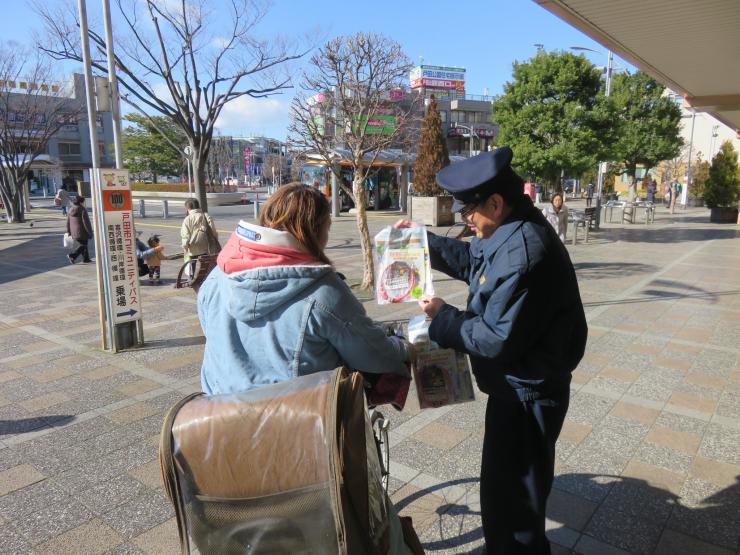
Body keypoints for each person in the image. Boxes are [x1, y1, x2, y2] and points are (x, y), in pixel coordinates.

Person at [197, 183, 415, 554]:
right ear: (314, 230)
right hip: (301, 445)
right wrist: (403, 347)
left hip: (222, 442)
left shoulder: (217, 277)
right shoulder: (323, 290)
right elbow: (375, 355)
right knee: (371, 527)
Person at [395, 147, 587, 555]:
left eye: (469, 210)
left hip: (527, 396)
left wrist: (442, 317)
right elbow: (472, 260)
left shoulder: (524, 252)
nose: (465, 218)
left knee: (515, 506)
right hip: (515, 389)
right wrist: (419, 242)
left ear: (495, 203)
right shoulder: (507, 228)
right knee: (501, 496)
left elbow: (494, 338)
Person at [181, 198, 219, 264]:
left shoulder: (187, 219)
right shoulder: (206, 216)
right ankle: (205, 274)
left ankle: (191, 273)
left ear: (188, 208)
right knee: (205, 265)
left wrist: (185, 248)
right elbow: (214, 232)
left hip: (193, 248)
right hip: (206, 247)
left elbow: (185, 236)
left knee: (192, 265)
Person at [66, 196, 93, 264]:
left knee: (83, 244)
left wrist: (69, 231)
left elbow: (68, 222)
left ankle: (86, 259)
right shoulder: (82, 209)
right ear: (81, 202)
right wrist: (90, 232)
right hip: (82, 231)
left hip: (74, 232)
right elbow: (86, 222)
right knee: (83, 245)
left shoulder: (70, 209)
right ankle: (72, 255)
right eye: (83, 202)